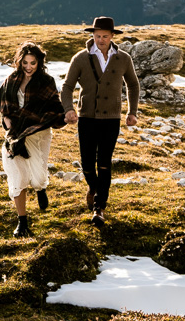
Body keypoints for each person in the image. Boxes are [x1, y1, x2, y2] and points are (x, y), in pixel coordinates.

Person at [60, 16, 139, 226]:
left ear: (112, 36)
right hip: (87, 116)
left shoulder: (123, 59)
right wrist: (68, 109)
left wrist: (132, 112)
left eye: (105, 36)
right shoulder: (80, 58)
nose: (101, 40)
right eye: (97, 36)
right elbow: (67, 87)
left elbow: (133, 85)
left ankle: (99, 207)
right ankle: (94, 187)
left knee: (104, 163)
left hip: (111, 118)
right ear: (92, 36)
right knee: (87, 163)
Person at [0, 41, 66, 238]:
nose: (28, 67)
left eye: (32, 63)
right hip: (15, 135)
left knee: (38, 176)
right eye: (25, 62)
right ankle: (22, 222)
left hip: (39, 133)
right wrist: (6, 119)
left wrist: (64, 117)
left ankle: (41, 188)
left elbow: (55, 108)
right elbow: (0, 102)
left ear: (39, 63)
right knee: (18, 176)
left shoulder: (46, 82)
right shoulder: (12, 79)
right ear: (19, 62)